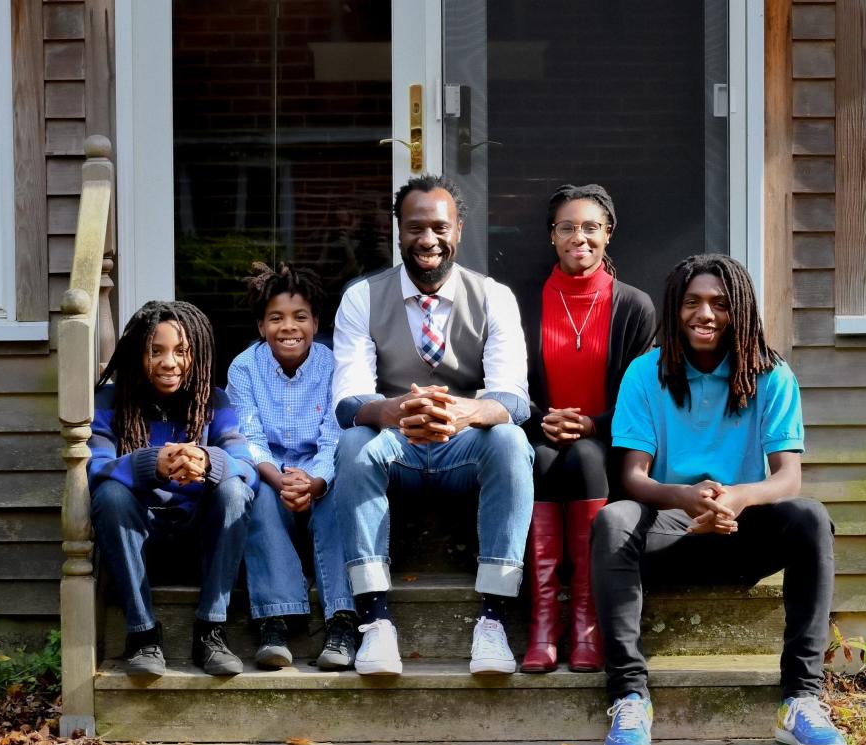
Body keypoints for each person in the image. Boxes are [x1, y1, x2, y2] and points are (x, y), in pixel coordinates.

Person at [593, 254, 849, 745]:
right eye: (692, 302)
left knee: (810, 517)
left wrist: (737, 497)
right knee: (612, 518)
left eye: (719, 303)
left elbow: (787, 477)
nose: (704, 314)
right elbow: (632, 477)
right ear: (675, 309)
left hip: (741, 531)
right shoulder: (646, 374)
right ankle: (629, 697)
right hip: (673, 530)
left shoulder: (771, 375)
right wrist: (688, 500)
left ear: (741, 311)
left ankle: (801, 699)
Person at [332, 174, 534, 676]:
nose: (428, 240)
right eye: (415, 227)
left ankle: (493, 619)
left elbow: (514, 397)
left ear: (458, 231)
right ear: (398, 231)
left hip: (464, 451)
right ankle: (375, 621)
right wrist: (399, 412)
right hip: (394, 449)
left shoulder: (493, 297)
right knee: (354, 443)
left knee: (510, 441)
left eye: (439, 228)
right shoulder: (361, 298)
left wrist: (464, 412)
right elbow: (348, 400)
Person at [517, 184, 655, 674]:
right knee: (544, 458)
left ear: (608, 234)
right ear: (552, 236)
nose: (580, 237)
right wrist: (541, 419)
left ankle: (586, 621)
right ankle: (542, 621)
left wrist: (593, 423)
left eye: (591, 227)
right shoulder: (522, 303)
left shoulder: (634, 307)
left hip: (610, 446)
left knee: (588, 456)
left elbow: (641, 399)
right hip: (541, 436)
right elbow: (508, 382)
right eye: (568, 227)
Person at [88, 301, 256, 678]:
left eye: (181, 351)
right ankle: (142, 634)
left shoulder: (212, 400)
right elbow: (95, 469)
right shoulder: (111, 402)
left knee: (233, 490)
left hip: (201, 539)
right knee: (110, 494)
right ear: (137, 354)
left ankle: (210, 630)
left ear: (196, 354)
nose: (170, 362)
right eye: (156, 351)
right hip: (138, 540)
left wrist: (207, 461)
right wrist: (152, 465)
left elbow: (247, 467)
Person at [226, 262, 359, 671]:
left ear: (316, 322)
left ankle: (342, 618)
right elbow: (248, 438)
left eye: (300, 317)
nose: (289, 327)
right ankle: (275, 618)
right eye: (276, 318)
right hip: (271, 473)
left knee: (341, 498)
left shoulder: (333, 365)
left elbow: (334, 434)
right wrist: (280, 481)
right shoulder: (244, 368)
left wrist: (316, 482)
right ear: (261, 326)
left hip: (319, 470)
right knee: (257, 498)